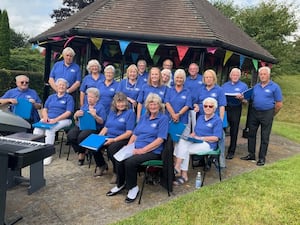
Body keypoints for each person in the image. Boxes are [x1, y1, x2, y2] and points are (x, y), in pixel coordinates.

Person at [106, 93, 169, 203]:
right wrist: (128, 147)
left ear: (159, 106)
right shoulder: (144, 117)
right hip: (136, 147)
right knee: (119, 157)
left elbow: (160, 140)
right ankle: (120, 184)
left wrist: (142, 150)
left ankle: (133, 188)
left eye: (155, 105)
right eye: (150, 104)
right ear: (147, 106)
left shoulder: (163, 119)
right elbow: (135, 134)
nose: (153, 107)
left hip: (152, 151)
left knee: (130, 162)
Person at [173, 97, 223, 184]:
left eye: (210, 106)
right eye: (205, 106)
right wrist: (189, 136)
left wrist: (202, 138)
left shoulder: (217, 120)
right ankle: (181, 172)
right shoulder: (200, 118)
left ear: (214, 108)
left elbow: (216, 138)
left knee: (185, 149)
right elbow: (195, 132)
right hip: (197, 141)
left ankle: (180, 170)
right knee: (181, 142)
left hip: (209, 144)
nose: (207, 108)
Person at [241, 66, 283, 166]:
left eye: (264, 74)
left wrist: (272, 114)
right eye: (261, 74)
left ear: (268, 75)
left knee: (264, 136)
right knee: (251, 134)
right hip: (255, 112)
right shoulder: (256, 87)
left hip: (267, 113)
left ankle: (261, 158)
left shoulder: (275, 87)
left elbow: (279, 104)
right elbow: (248, 100)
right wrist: (242, 99)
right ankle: (251, 154)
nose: (262, 76)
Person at [93, 92, 136, 181]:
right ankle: (101, 165)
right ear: (115, 103)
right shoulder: (112, 112)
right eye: (118, 102)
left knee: (111, 149)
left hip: (122, 139)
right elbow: (106, 127)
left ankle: (117, 172)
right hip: (109, 137)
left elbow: (129, 133)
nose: (121, 104)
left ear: (126, 102)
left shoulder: (130, 113)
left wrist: (114, 140)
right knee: (94, 145)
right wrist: (98, 137)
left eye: (122, 102)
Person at [33, 78, 74, 165]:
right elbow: (45, 108)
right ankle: (36, 151)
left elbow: (68, 112)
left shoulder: (69, 98)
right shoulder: (51, 97)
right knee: (37, 129)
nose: (61, 86)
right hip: (49, 118)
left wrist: (55, 120)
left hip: (64, 120)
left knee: (50, 129)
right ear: (56, 86)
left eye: (63, 85)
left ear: (67, 87)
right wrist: (45, 117)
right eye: (59, 85)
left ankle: (48, 155)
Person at [194, 69, 227, 168]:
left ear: (214, 78)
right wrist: (196, 106)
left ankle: (219, 161)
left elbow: (222, 106)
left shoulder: (219, 90)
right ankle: (203, 161)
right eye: (206, 77)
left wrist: (220, 121)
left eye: (210, 77)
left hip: (214, 120)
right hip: (201, 119)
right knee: (201, 138)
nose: (208, 79)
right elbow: (195, 102)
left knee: (219, 139)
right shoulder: (200, 89)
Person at [67, 87, 106, 166]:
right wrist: (75, 115)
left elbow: (102, 122)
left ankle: (81, 154)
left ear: (97, 98)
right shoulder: (84, 106)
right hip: (81, 125)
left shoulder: (100, 107)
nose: (89, 99)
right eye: (88, 97)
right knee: (70, 135)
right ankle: (83, 150)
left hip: (94, 127)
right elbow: (77, 120)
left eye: (91, 97)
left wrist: (95, 116)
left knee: (81, 137)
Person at [222, 68, 248, 159]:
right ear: (230, 76)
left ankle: (231, 151)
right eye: (233, 75)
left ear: (239, 76)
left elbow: (246, 102)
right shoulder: (224, 85)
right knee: (222, 129)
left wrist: (241, 99)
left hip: (236, 109)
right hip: (225, 108)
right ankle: (220, 149)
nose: (235, 76)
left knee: (234, 130)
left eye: (237, 75)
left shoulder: (243, 86)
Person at [184, 63, 203, 132]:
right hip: (188, 107)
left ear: (197, 70)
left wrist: (199, 105)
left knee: (198, 128)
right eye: (191, 69)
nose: (192, 70)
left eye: (194, 69)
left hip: (200, 107)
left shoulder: (203, 79)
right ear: (188, 70)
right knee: (188, 128)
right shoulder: (185, 80)